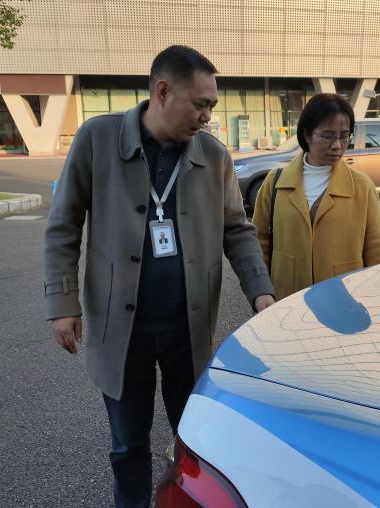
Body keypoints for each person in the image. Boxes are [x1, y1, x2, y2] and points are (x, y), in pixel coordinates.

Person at [43, 45, 275, 507]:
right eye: (201, 104)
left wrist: (261, 292)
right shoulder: (97, 139)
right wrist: (62, 303)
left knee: (195, 441)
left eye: (212, 105)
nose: (208, 116)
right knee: (128, 445)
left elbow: (237, 230)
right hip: (121, 330)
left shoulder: (213, 156)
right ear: (163, 91)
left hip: (187, 330)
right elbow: (63, 224)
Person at [252, 93, 380, 301]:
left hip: (344, 300)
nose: (337, 145)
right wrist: (261, 290)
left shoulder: (362, 187)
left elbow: (377, 252)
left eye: (344, 136)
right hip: (286, 300)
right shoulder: (275, 182)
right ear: (307, 134)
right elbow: (259, 242)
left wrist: (378, 299)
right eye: (327, 136)